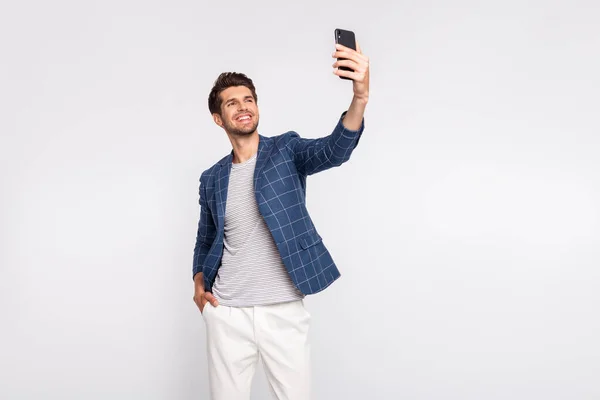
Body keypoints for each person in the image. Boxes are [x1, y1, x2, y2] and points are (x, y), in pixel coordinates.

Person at [192, 42, 370, 400]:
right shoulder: (212, 178)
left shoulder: (286, 150)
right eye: (232, 103)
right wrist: (199, 284)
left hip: (282, 309)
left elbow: (334, 149)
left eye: (248, 99)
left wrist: (360, 97)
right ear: (218, 118)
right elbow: (205, 237)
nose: (243, 107)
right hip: (227, 312)